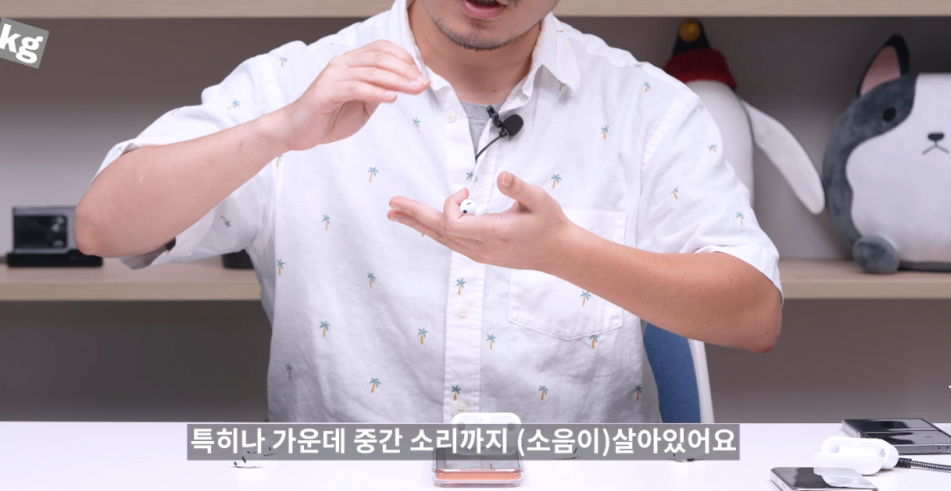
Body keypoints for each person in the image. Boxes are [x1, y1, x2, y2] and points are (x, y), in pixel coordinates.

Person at [76, 0, 782, 423]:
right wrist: (279, 130)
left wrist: (565, 251)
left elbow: (754, 315)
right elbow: (102, 227)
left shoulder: (647, 107)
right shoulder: (297, 81)